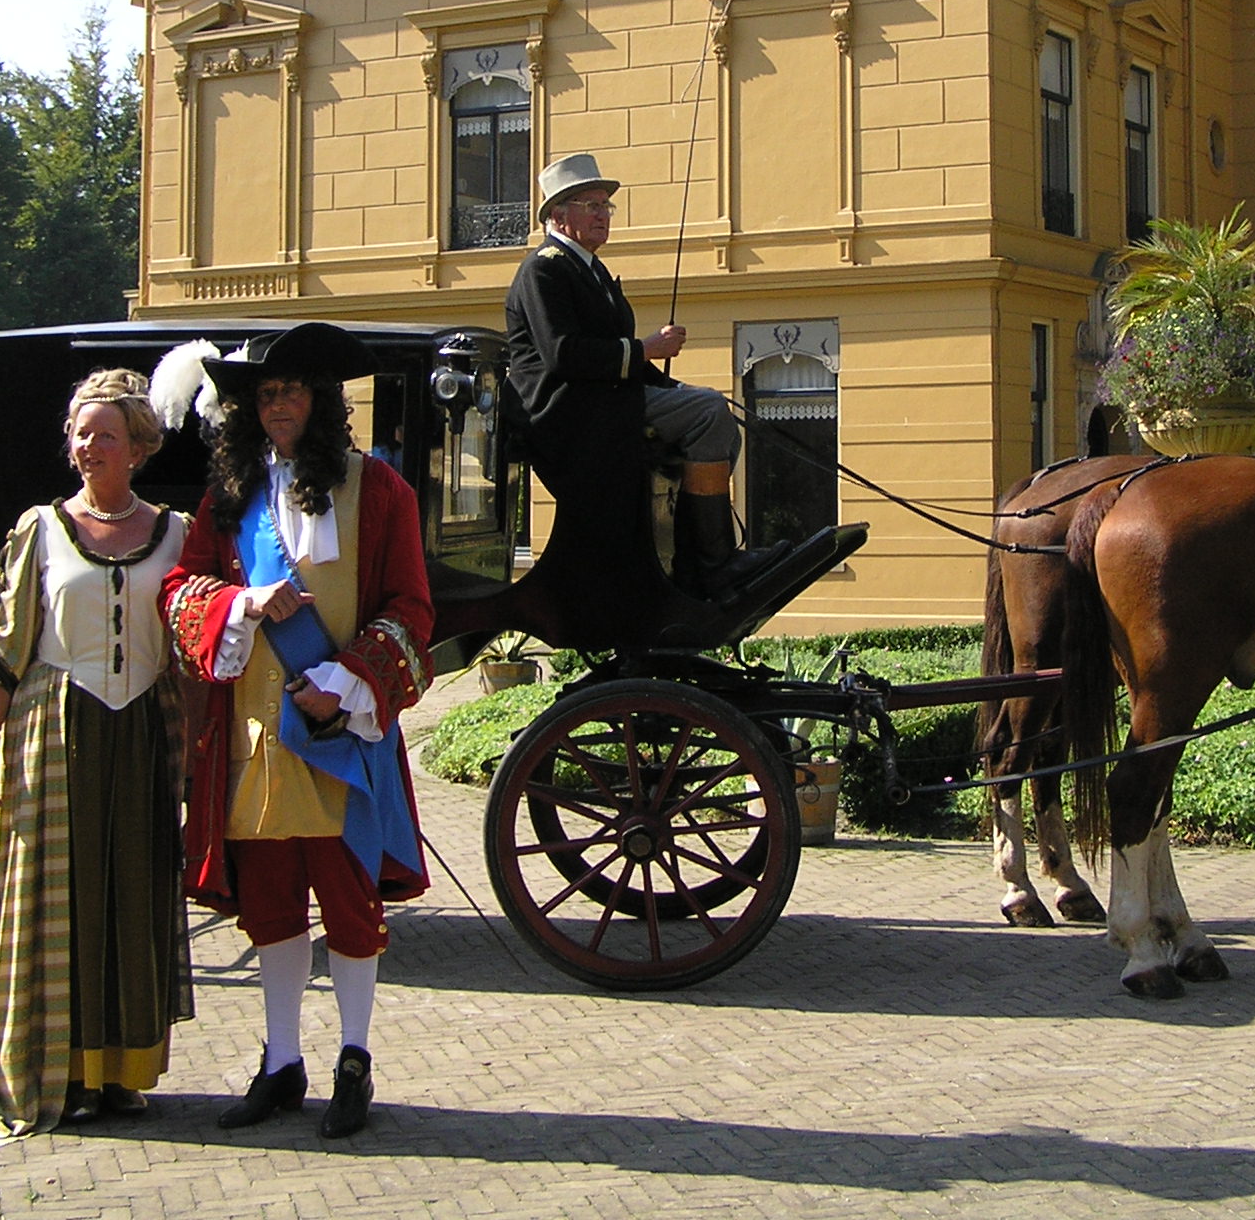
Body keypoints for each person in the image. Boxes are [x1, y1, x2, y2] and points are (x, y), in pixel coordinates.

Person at [0, 371, 193, 1159]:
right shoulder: (42, 531)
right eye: (80, 433)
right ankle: (58, 1072)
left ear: (138, 445)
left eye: (105, 434)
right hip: (54, 729)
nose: (89, 446)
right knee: (57, 901)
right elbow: (5, 651)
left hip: (143, 736)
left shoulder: (177, 533)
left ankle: (121, 1072)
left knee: (132, 893)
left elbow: (196, 649)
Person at [159, 322, 434, 1141]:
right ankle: (282, 1061)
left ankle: (353, 1059)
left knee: (350, 911)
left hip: (340, 736)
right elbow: (182, 591)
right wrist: (241, 604)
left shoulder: (380, 491)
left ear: (320, 403)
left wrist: (349, 679)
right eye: (264, 395)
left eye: (291, 391)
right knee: (270, 908)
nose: (278, 406)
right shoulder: (227, 502)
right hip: (251, 745)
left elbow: (413, 612)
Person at [504, 151, 786, 599]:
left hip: (607, 402)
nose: (603, 215)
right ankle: (713, 564)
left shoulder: (589, 270)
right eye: (591, 205)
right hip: (570, 414)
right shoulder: (544, 269)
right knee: (709, 413)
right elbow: (563, 354)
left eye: (606, 206)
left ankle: (700, 559)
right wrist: (646, 349)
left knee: (719, 417)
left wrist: (672, 384)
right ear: (558, 216)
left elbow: (625, 358)